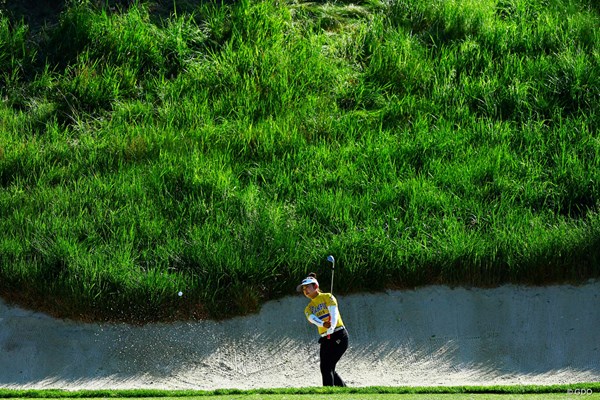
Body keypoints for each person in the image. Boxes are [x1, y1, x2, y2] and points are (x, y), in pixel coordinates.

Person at [297, 272, 349, 387]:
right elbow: (312, 319)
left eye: (307, 287)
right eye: (303, 288)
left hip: (339, 334)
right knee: (326, 368)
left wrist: (332, 326)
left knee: (327, 367)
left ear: (315, 286)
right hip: (326, 338)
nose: (305, 290)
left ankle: (328, 393)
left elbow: (333, 313)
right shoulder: (308, 308)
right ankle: (343, 390)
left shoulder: (327, 297)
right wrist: (323, 324)